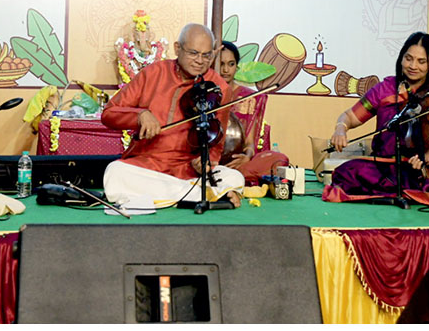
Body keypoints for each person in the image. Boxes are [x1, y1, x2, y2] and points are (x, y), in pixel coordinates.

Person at [101, 23, 244, 209]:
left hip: (188, 169)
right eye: (193, 53)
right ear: (178, 48)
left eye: (206, 55)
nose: (200, 61)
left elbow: (217, 141)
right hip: (148, 164)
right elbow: (109, 114)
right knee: (115, 173)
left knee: (234, 176)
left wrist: (207, 161)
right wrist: (139, 115)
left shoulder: (218, 88)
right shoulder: (153, 73)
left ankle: (183, 195)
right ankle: (200, 194)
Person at [323, 32, 429, 206]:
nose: (413, 66)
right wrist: (340, 128)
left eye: (421, 61)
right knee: (346, 172)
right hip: (385, 167)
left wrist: (423, 160)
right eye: (408, 59)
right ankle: (404, 194)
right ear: (401, 59)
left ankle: (391, 194)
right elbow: (349, 116)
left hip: (422, 169)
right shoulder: (385, 89)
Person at [216, 41, 290, 184]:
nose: (225, 70)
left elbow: (250, 142)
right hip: (208, 161)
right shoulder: (204, 93)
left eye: (231, 64)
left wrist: (247, 157)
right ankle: (225, 177)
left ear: (236, 66)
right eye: (221, 64)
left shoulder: (249, 98)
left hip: (236, 162)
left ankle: (229, 176)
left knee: (279, 160)